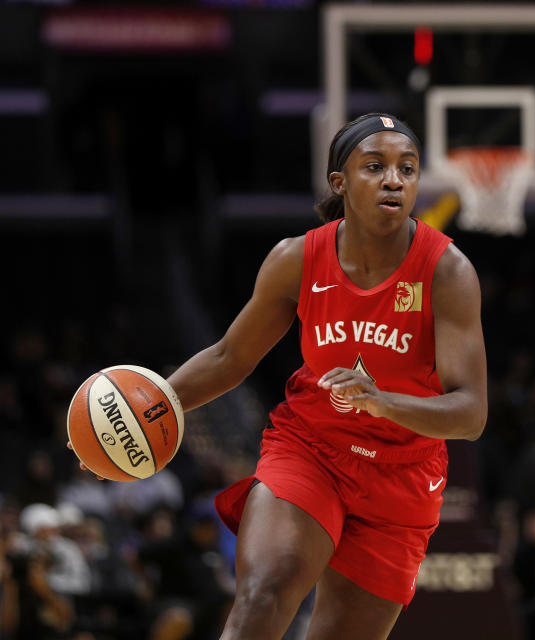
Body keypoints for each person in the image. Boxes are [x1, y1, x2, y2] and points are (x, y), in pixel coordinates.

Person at [79, 112, 487, 640]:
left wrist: (382, 402)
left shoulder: (448, 271)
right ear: (339, 182)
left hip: (402, 472)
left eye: (407, 168)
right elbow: (230, 358)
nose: (394, 179)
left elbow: (471, 412)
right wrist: (148, 408)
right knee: (265, 592)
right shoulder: (297, 259)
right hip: (311, 449)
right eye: (375, 166)